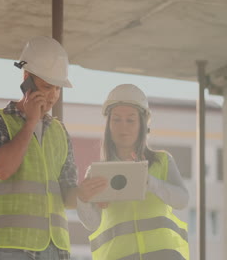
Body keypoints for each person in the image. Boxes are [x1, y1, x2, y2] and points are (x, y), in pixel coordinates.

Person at [0, 36, 79, 260]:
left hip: (56, 250)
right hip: (11, 248)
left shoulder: (60, 133)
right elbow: (2, 169)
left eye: (58, 89)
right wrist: (31, 122)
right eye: (46, 87)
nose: (52, 96)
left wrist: (87, 193)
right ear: (26, 79)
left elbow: (68, 196)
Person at [77, 84, 190, 260]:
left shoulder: (162, 161)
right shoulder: (97, 172)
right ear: (109, 125)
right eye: (116, 120)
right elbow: (92, 223)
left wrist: (150, 182)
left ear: (142, 124)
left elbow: (182, 200)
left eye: (130, 120)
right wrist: (83, 199)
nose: (124, 127)